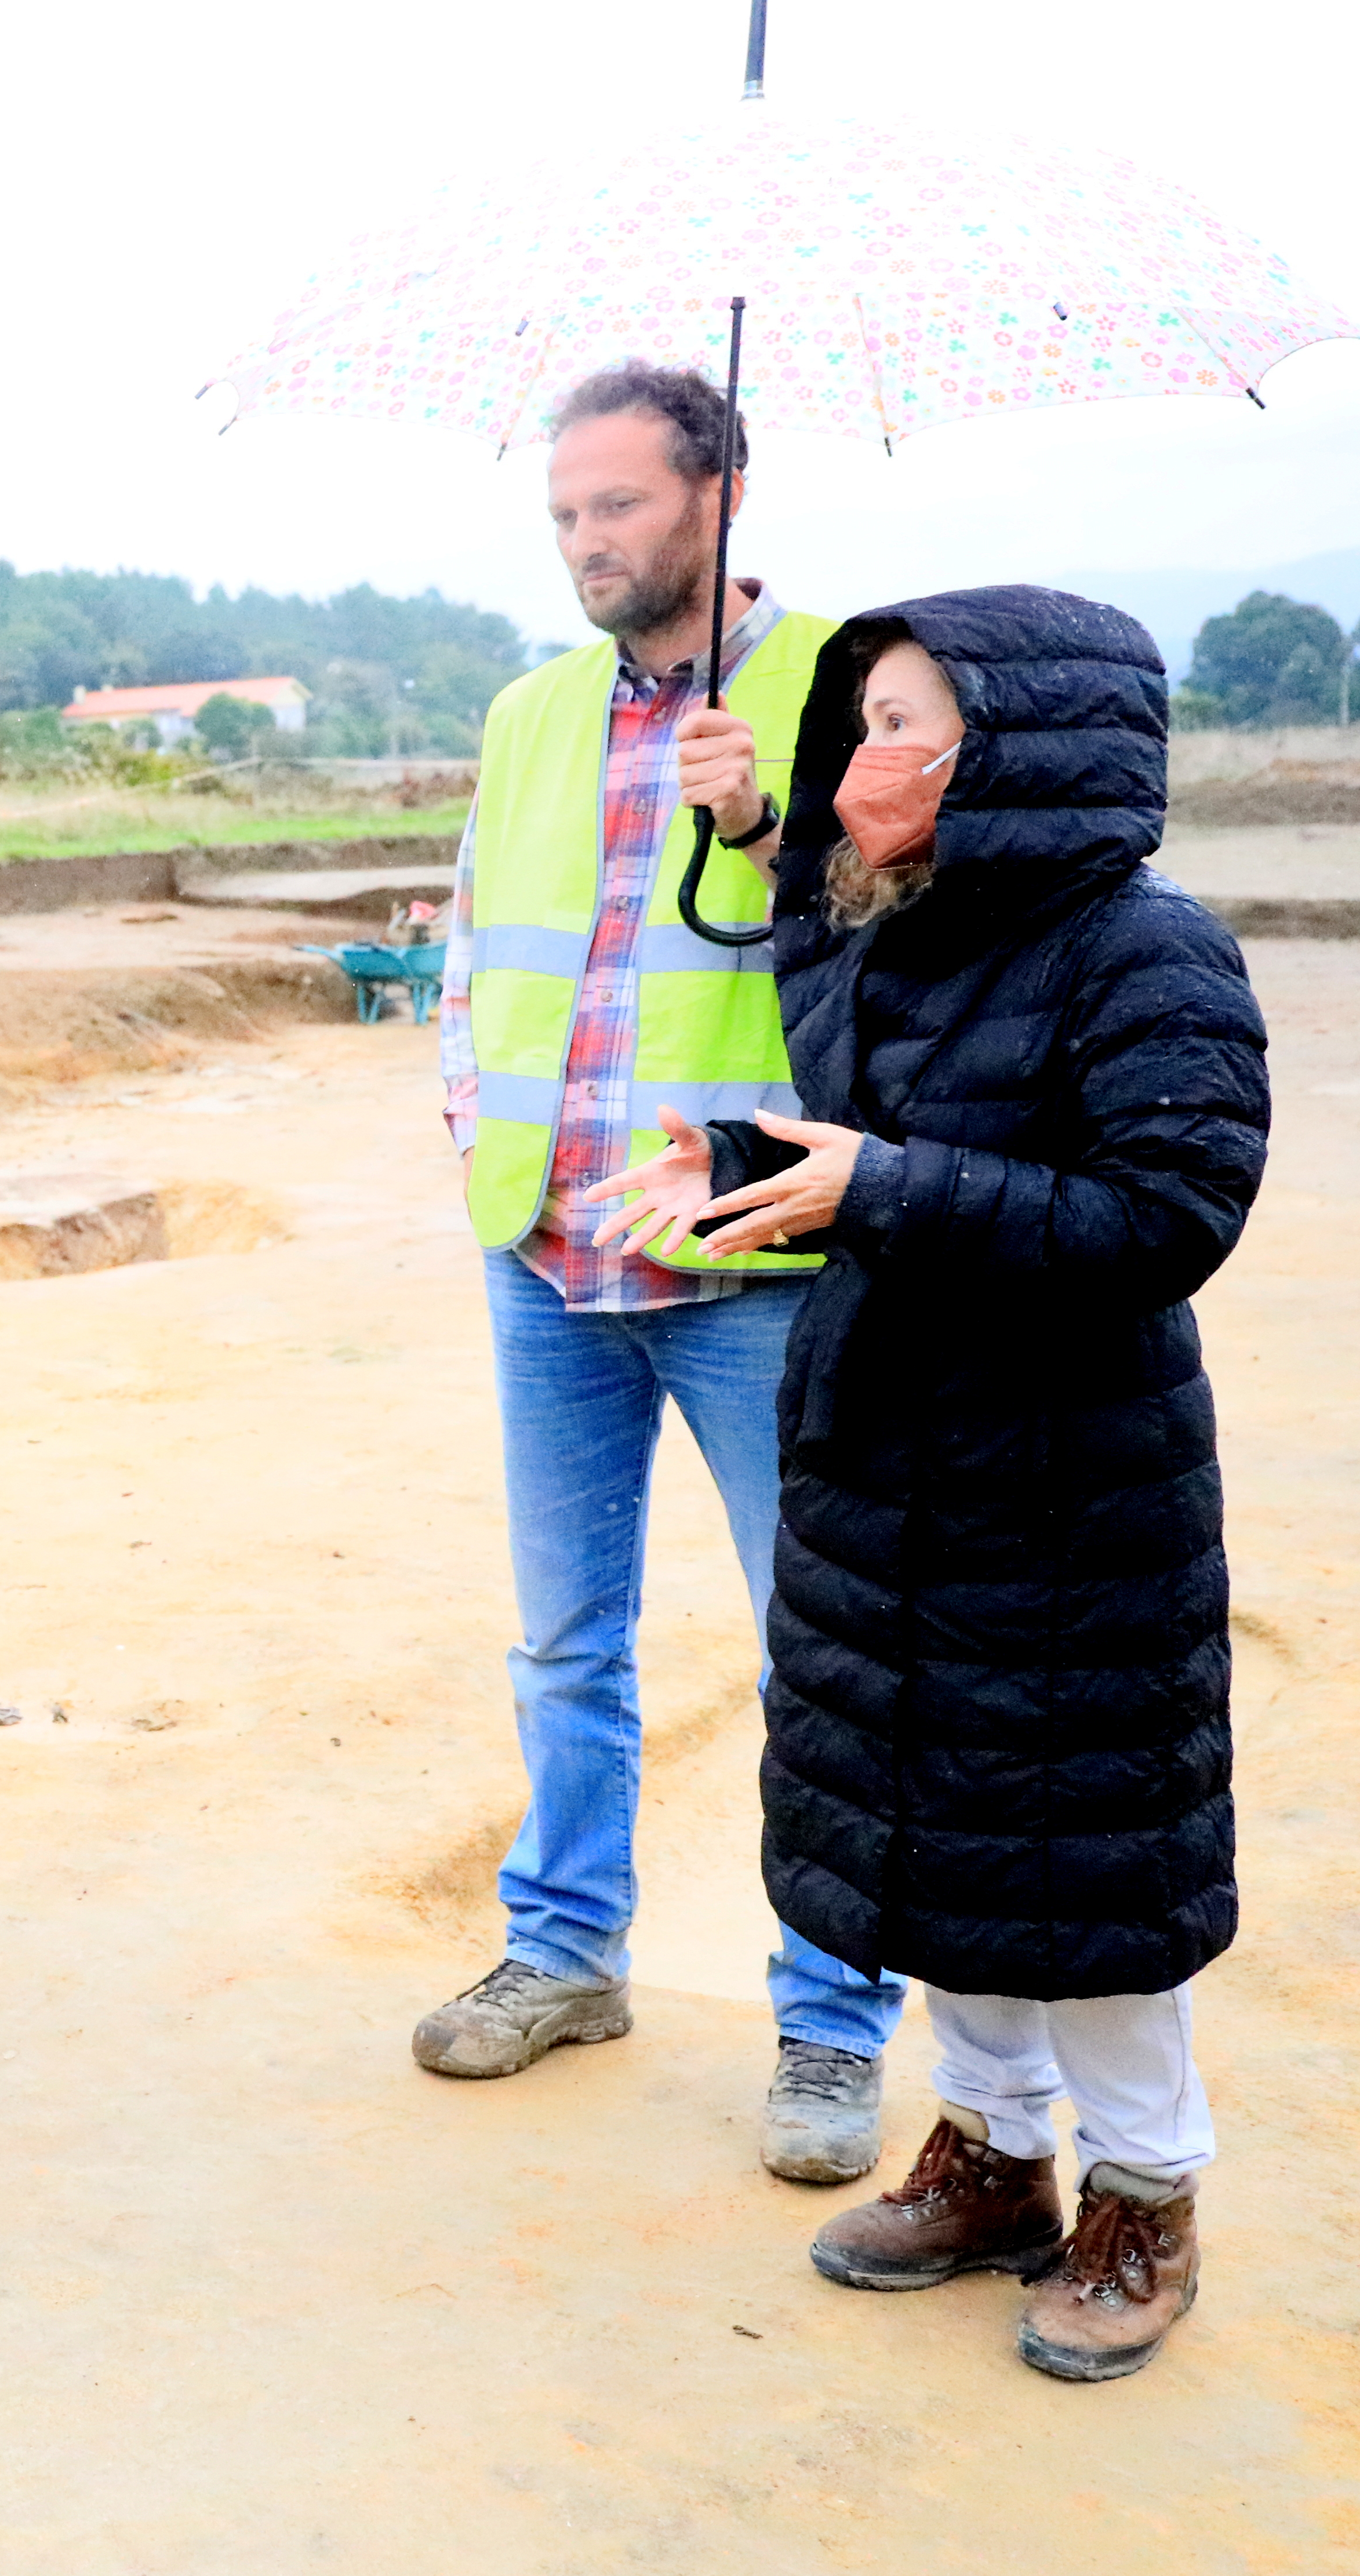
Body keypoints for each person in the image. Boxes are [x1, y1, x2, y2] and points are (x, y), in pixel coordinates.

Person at [587, 587, 1266, 2382]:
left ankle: (1147, 2197)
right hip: (889, 1458)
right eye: (861, 726)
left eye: (908, 729)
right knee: (922, 1838)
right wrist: (747, 1159)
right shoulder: (885, 929)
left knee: (1085, 1875)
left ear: (1025, 753)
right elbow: (895, 1145)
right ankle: (992, 2157)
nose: (864, 766)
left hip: (1067, 1487)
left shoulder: (1147, 950)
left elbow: (1166, 1217)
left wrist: (872, 1189)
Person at [421, 357, 907, 2181]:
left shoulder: (854, 686)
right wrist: (482, 1132)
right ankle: (564, 1956)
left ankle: (831, 2023)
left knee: (823, 1650)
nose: (584, 541)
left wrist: (771, 831)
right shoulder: (531, 714)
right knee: (566, 1640)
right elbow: (477, 948)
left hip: (758, 1269)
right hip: (549, 1259)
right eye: (563, 512)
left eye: (616, 504)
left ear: (717, 495)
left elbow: (930, 970)